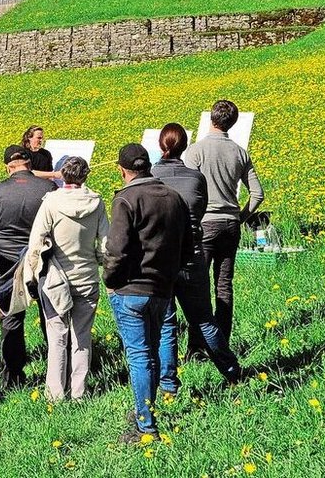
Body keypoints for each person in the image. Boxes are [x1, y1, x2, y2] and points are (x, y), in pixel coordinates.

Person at [104, 144, 193, 443]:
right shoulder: (174, 197)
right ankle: (147, 409)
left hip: (130, 289)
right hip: (162, 289)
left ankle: (145, 425)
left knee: (139, 356)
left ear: (123, 169)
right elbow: (188, 248)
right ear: (148, 167)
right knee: (152, 352)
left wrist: (111, 281)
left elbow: (116, 251)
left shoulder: (125, 199)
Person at [180, 99, 264, 380]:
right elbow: (257, 194)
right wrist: (239, 216)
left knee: (197, 289)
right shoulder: (240, 152)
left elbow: (188, 190)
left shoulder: (196, 151)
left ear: (210, 120)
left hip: (204, 226)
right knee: (223, 286)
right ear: (233, 122)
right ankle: (222, 343)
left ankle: (197, 347)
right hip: (230, 225)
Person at [25, 156, 106, 402]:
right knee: (82, 336)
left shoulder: (51, 203)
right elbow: (105, 243)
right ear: (86, 176)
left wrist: (31, 274)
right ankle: (79, 393)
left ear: (62, 175)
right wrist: (99, 261)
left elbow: (36, 243)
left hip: (55, 279)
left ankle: (55, 394)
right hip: (87, 277)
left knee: (57, 336)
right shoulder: (97, 202)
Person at [0, 145, 57, 387]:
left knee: (11, 317)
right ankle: (57, 369)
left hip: (5, 260)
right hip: (41, 257)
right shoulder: (48, 188)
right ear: (29, 163)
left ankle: (13, 376)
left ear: (8, 167)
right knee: (50, 313)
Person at [151, 122, 214, 392]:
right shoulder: (195, 177)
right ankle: (232, 371)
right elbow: (201, 209)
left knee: (166, 324)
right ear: (185, 146)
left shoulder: (151, 175)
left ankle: (168, 384)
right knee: (203, 319)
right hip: (192, 253)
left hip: (161, 259)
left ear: (160, 146)